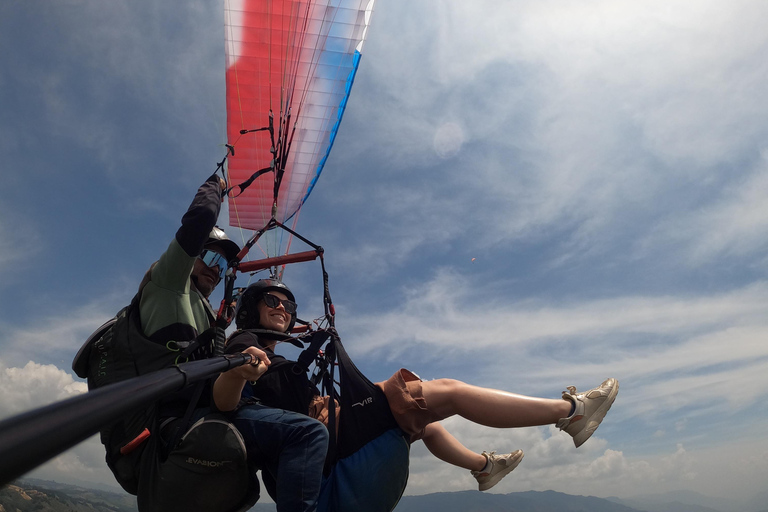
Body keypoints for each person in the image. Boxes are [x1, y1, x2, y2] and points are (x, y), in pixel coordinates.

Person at [214, 279, 619, 502]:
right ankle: (571, 412)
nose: (283, 307)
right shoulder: (246, 342)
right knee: (443, 392)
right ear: (252, 309)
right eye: (272, 300)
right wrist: (240, 368)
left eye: (289, 303)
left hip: (332, 437)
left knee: (426, 421)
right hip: (326, 457)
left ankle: (484, 467)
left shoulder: (281, 357)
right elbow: (223, 397)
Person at [140, 174, 328, 512]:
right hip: (178, 419)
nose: (216, 269)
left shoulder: (208, 318)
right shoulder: (170, 285)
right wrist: (217, 182)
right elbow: (196, 224)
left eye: (224, 264)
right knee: (308, 433)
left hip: (200, 408)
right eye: (210, 259)